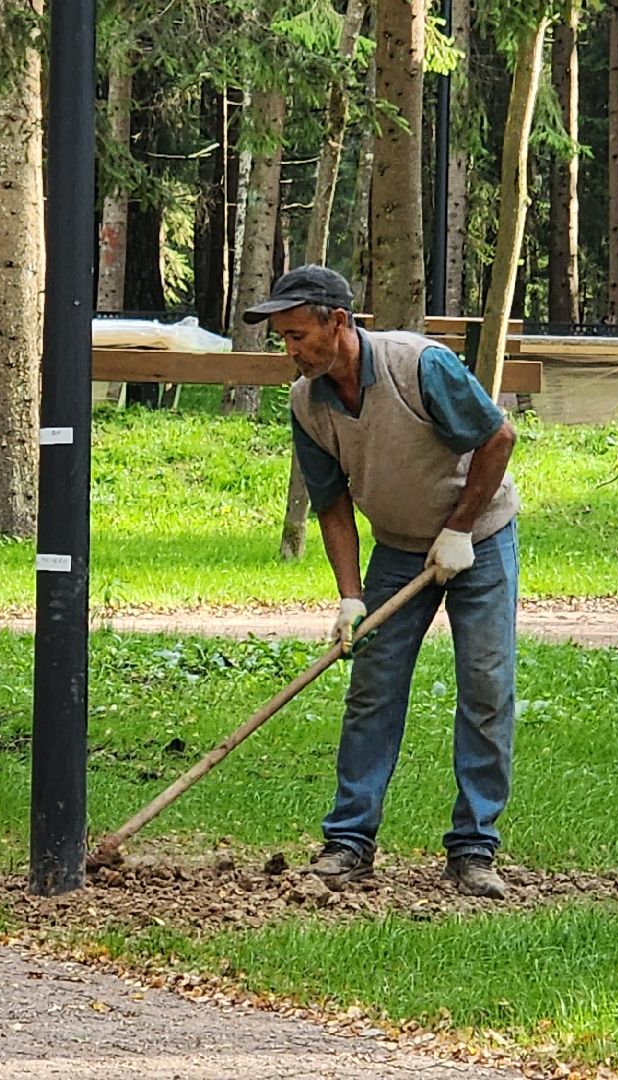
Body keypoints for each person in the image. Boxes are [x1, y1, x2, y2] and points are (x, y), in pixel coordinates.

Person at [243, 265, 519, 899]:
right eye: (281, 338)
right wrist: (349, 595)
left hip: (478, 536)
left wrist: (459, 528)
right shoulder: (308, 402)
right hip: (397, 548)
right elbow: (332, 504)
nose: (290, 350)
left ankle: (474, 850)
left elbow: (498, 437)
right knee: (373, 688)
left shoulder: (418, 367)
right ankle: (349, 841)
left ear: (339, 323)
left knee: (486, 684)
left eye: (297, 335)